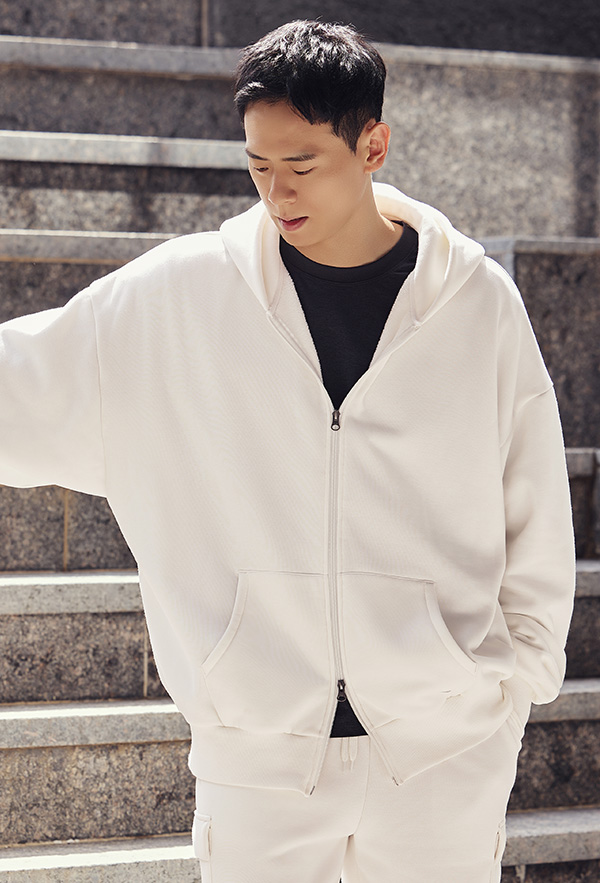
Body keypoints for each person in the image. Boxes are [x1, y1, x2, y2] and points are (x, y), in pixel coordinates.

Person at [0, 19, 575, 883]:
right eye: (259, 166)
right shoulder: (179, 296)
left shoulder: (475, 303)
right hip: (257, 759)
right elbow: (24, 382)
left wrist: (513, 686)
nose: (277, 191)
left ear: (373, 145)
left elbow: (533, 498)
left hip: (443, 753)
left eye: (302, 165)